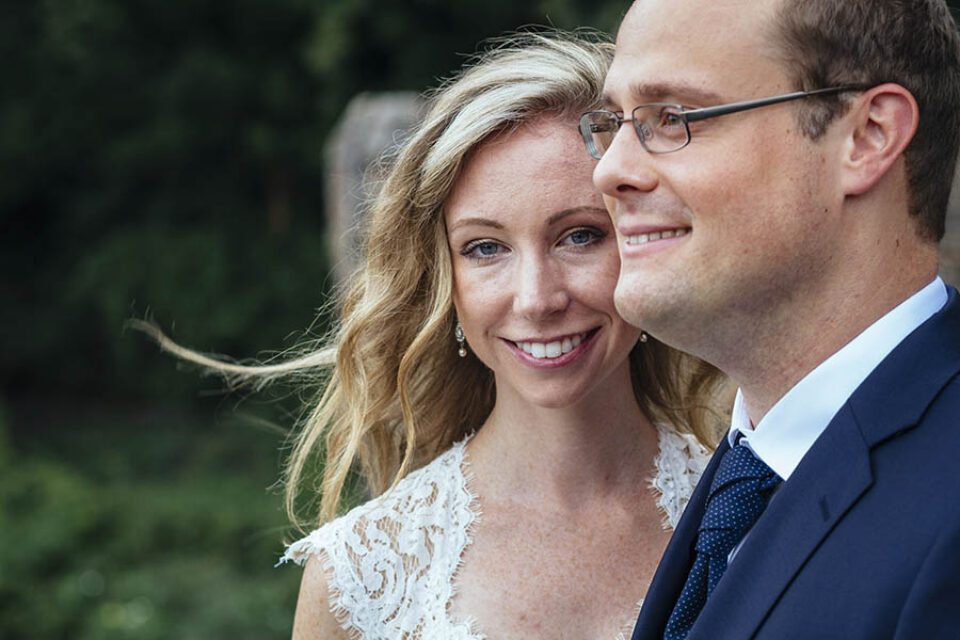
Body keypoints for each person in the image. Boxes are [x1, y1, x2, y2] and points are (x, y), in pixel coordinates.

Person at [580, 0, 960, 638]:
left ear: (868, 136)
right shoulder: (746, 471)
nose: (609, 170)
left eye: (672, 118)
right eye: (611, 123)